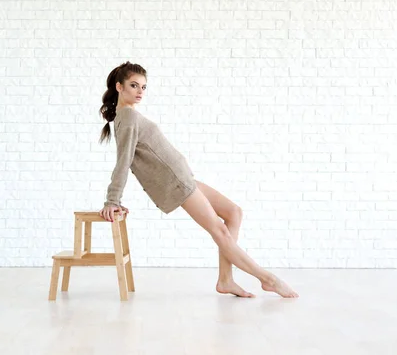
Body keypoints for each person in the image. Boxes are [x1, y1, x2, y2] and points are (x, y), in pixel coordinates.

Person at [98, 61, 299, 298]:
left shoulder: (128, 116)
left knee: (234, 212)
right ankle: (269, 279)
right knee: (219, 231)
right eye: (134, 85)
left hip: (183, 178)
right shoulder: (128, 118)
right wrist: (112, 200)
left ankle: (226, 280)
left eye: (143, 87)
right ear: (119, 87)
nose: (140, 91)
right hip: (176, 184)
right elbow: (124, 161)